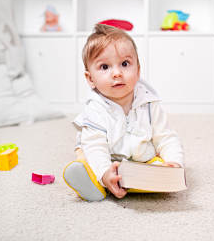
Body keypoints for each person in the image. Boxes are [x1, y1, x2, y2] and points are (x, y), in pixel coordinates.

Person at [63, 24, 185, 202]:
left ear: (138, 70)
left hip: (140, 158)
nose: (117, 73)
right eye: (105, 67)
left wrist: (175, 163)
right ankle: (98, 182)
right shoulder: (94, 109)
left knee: (160, 164)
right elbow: (95, 146)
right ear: (90, 79)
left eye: (125, 64)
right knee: (86, 155)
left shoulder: (149, 104)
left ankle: (148, 179)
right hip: (105, 156)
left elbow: (166, 137)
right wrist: (105, 172)